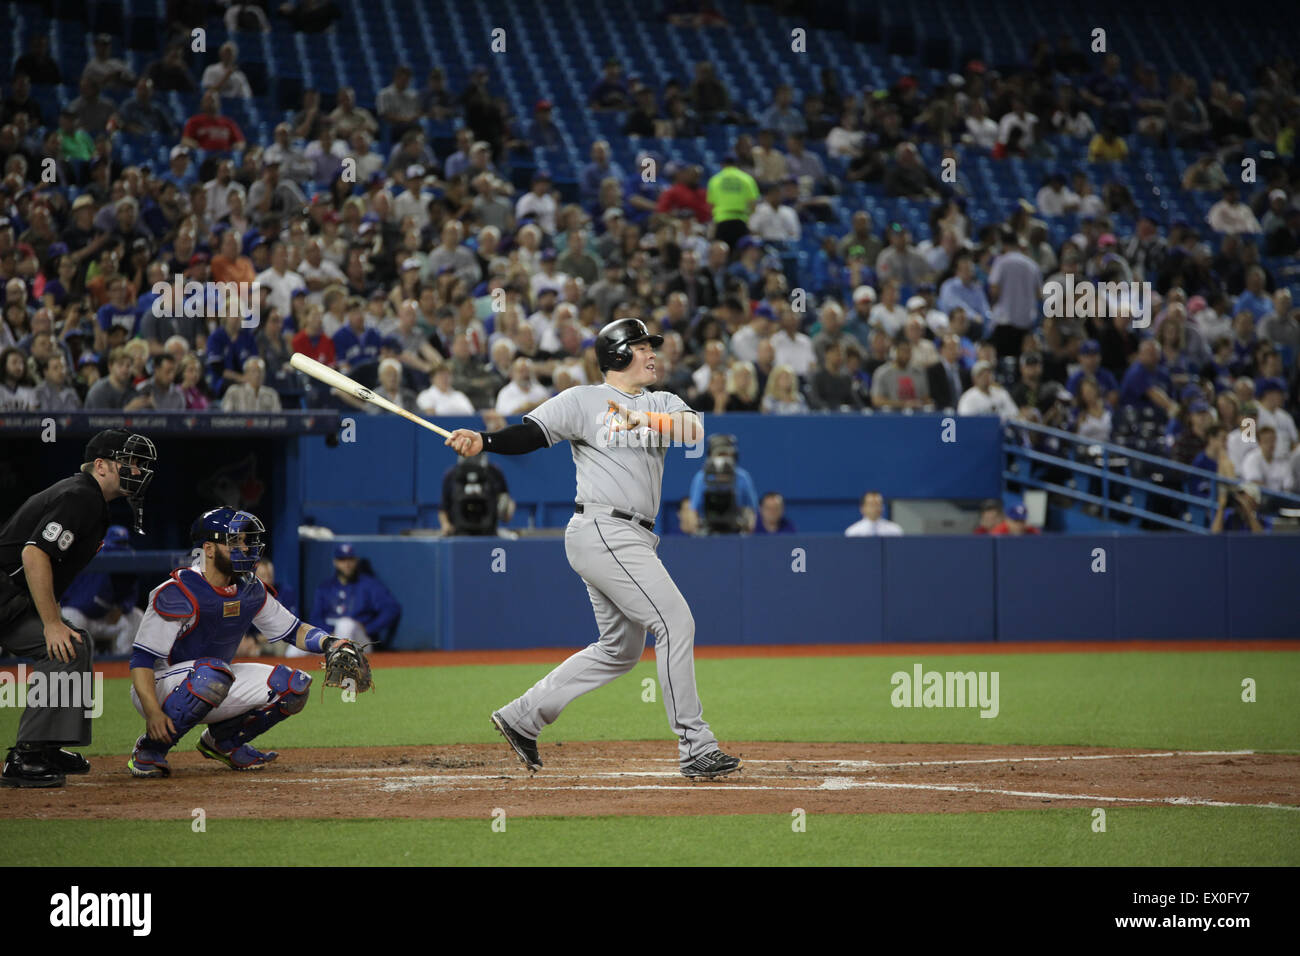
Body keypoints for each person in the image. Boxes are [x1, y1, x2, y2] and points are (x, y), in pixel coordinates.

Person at [443, 317, 741, 779]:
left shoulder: (662, 400)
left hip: (635, 535)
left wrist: (645, 419)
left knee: (620, 650)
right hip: (604, 527)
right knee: (675, 621)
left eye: (651, 346)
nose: (651, 354)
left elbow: (693, 434)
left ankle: (522, 717)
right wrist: (484, 440)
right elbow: (532, 434)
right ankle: (696, 746)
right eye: (642, 347)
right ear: (618, 354)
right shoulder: (584, 400)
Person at [126, 509, 366, 777]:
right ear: (208, 549)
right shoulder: (177, 591)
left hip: (215, 679)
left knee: (294, 686)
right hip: (159, 688)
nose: (245, 548)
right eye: (235, 542)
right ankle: (150, 750)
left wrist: (329, 643)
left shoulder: (249, 588)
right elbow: (142, 660)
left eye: (245, 540)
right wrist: (152, 712)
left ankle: (223, 743)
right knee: (212, 674)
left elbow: (294, 630)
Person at [0, 430, 157, 788]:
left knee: (74, 644)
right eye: (129, 462)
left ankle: (45, 746)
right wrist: (52, 623)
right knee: (63, 645)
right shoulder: (81, 495)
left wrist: (54, 621)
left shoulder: (87, 497)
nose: (138, 470)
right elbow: (34, 553)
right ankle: (25, 757)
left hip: (11, 598)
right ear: (100, 466)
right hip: (5, 597)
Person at [58, 524, 142, 655]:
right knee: (69, 615)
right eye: (115, 548)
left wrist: (121, 607)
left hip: (106, 620)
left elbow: (131, 595)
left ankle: (123, 664)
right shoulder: (89, 560)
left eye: (121, 547)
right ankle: (78, 663)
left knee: (136, 616)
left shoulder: (128, 567)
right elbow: (80, 601)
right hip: (85, 618)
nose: (118, 554)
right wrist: (107, 607)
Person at [308, 543, 402, 651]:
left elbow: (391, 609)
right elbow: (315, 618)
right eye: (342, 560)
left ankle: (343, 665)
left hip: (359, 640)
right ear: (335, 562)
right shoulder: (325, 588)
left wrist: (368, 628)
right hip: (329, 637)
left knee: (345, 625)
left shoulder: (368, 584)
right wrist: (329, 632)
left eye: (350, 559)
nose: (347, 564)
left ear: (356, 561)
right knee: (296, 649)